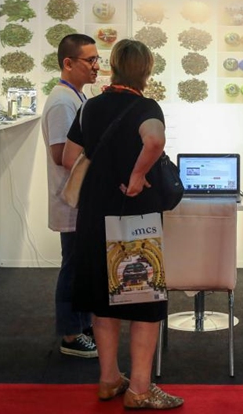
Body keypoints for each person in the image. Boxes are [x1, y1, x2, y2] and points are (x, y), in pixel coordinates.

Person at [62, 39, 183, 409]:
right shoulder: (146, 106)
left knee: (103, 301)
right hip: (135, 218)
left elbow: (69, 157)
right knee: (144, 300)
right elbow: (155, 140)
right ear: (146, 70)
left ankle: (109, 379)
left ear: (112, 66)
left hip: (94, 215)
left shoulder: (91, 107)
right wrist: (135, 175)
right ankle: (140, 389)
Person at [40, 33, 99, 358]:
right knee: (73, 267)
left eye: (96, 60)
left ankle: (80, 323)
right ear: (68, 63)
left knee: (81, 265)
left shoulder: (74, 97)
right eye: (90, 60)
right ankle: (71, 335)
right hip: (71, 200)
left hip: (79, 200)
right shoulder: (62, 101)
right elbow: (62, 155)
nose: (96, 67)